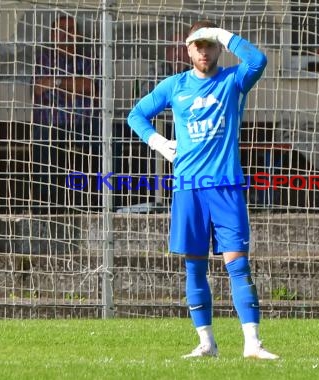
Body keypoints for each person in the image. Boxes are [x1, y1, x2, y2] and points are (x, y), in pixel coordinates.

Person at [127, 20, 278, 359]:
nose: (204, 51)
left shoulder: (233, 81)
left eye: (210, 44)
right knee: (194, 267)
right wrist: (159, 142)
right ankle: (206, 343)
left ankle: (253, 343)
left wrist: (223, 33)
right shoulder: (175, 86)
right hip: (188, 188)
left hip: (225, 186)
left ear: (218, 47)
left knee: (238, 266)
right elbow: (136, 115)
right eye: (198, 45)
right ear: (188, 49)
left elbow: (258, 61)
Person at [32, 14, 101, 213]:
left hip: (83, 124)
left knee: (106, 139)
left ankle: (98, 204)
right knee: (42, 140)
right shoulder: (43, 58)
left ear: (78, 35)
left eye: (71, 30)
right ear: (53, 36)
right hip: (51, 123)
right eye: (61, 31)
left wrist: (57, 83)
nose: (66, 35)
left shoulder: (89, 58)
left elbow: (92, 87)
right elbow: (37, 88)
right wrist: (72, 84)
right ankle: (45, 208)